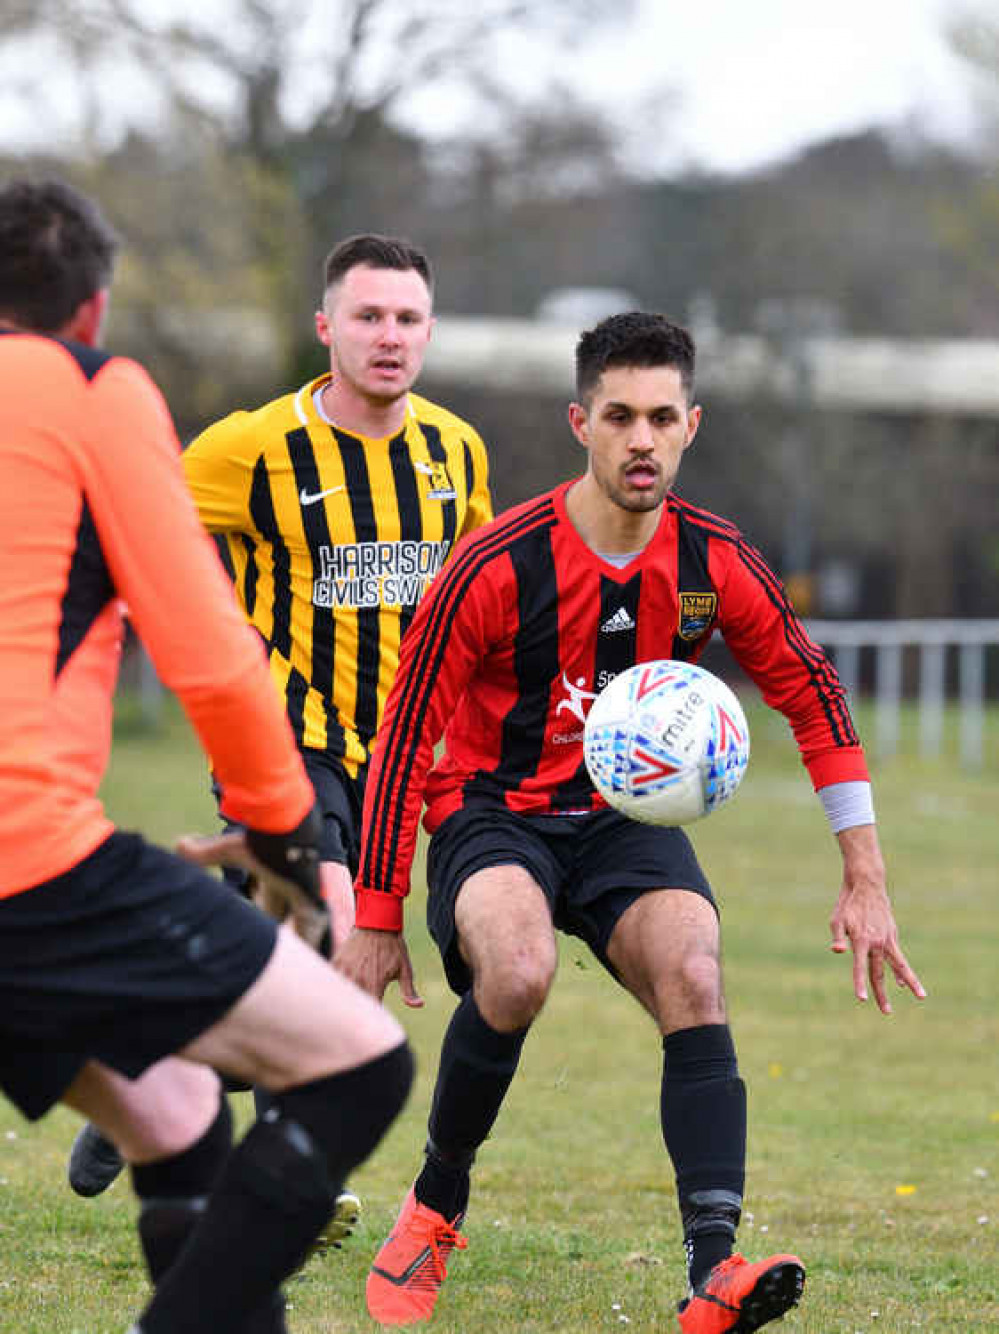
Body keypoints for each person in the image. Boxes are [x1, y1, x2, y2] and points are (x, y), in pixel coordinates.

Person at [337, 311, 927, 1332]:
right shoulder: (496, 563)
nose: (641, 437)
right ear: (581, 422)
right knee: (516, 972)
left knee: (696, 970)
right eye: (620, 415)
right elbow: (403, 736)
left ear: (692, 425)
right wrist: (379, 909)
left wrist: (865, 875)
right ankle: (435, 1200)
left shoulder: (716, 561)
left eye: (662, 416)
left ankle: (715, 1273)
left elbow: (816, 698)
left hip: (621, 819)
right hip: (493, 808)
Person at [0, 175, 413, 1334]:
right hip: (24, 861)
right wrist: (286, 834)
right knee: (363, 1064)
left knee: (178, 1103)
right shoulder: (94, 390)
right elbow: (214, 654)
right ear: (93, 311)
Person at [67, 230, 494, 1206]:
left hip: (399, 753)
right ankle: (295, 1165)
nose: (389, 335)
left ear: (430, 330)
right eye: (369, 315)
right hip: (280, 737)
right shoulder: (249, 447)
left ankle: (149, 1069)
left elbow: (480, 592)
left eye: (408, 318)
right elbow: (134, 525)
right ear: (326, 327)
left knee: (277, 939)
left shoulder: (455, 452)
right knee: (335, 920)